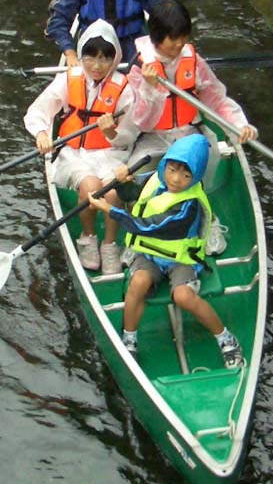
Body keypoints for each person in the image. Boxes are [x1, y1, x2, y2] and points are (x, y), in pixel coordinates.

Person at [88, 133, 244, 368]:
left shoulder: (189, 205)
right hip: (150, 255)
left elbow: (152, 226)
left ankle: (226, 339)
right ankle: (129, 340)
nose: (176, 179)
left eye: (186, 174)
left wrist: (110, 210)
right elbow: (131, 193)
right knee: (138, 282)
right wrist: (123, 182)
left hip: (182, 260)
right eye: (172, 170)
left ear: (196, 177)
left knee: (183, 296)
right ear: (164, 166)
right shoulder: (155, 178)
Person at [24, 20, 139, 272]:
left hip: (112, 154)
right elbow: (38, 111)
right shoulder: (68, 79)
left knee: (112, 192)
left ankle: (109, 245)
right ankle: (88, 238)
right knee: (91, 186)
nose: (97, 66)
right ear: (82, 55)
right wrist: (42, 134)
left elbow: (130, 133)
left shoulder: (124, 89)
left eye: (105, 59)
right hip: (74, 154)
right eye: (90, 58)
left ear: (115, 58)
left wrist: (112, 132)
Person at [127, 0, 259, 166]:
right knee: (139, 169)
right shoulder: (139, 67)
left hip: (190, 135)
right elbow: (138, 121)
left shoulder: (195, 62)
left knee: (193, 162)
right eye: (173, 38)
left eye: (183, 36)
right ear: (157, 36)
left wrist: (239, 125)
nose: (180, 43)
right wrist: (149, 89)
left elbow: (217, 101)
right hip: (153, 139)